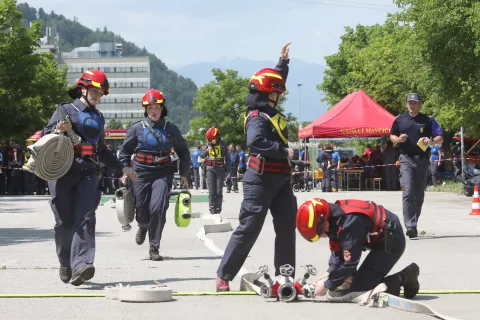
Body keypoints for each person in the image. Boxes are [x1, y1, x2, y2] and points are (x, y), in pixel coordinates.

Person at [42, 70, 137, 285]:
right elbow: (43, 135)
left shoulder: (98, 117)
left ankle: (82, 265)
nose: (97, 95)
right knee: (63, 223)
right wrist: (58, 129)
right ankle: (66, 262)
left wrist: (123, 167)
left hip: (88, 172)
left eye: (101, 92)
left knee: (85, 219)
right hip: (62, 172)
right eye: (94, 90)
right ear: (83, 89)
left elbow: (101, 149)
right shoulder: (65, 110)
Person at [216, 42, 296, 292]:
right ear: (267, 94)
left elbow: (273, 80)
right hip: (259, 181)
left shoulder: (268, 111)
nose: (280, 94)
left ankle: (285, 277)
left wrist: (283, 63)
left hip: (282, 181)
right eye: (276, 92)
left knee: (286, 229)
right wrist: (285, 152)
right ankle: (224, 275)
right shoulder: (257, 117)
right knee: (249, 228)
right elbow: (256, 143)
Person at [296, 198, 420, 299]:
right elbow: (338, 253)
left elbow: (350, 263)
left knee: (362, 290)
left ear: (324, 220)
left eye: (319, 233)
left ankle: (407, 275)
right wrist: (328, 274)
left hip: (390, 242)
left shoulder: (349, 223)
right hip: (377, 239)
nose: (321, 237)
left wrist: (327, 285)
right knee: (341, 286)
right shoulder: (334, 218)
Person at [118, 88, 190, 261]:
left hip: (163, 173)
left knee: (158, 208)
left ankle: (154, 247)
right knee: (142, 212)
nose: (153, 111)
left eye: (156, 108)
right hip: (140, 173)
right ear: (146, 110)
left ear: (162, 108)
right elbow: (125, 152)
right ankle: (143, 226)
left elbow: (184, 152)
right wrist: (125, 170)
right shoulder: (136, 128)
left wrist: (184, 174)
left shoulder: (171, 129)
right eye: (150, 108)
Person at [390, 93, 444, 238]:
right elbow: (392, 136)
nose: (412, 105)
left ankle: (414, 222)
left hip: (423, 160)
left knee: (419, 194)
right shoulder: (400, 119)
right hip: (406, 158)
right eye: (410, 102)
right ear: (407, 104)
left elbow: (440, 138)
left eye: (415, 102)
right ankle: (410, 225)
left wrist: (431, 141)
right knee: (408, 191)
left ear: (420, 104)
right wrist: (398, 139)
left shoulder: (428, 120)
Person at [200, 127, 228, 214]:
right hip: (210, 169)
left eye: (212, 139)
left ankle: (218, 210)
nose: (211, 141)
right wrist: (207, 150)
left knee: (219, 191)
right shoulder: (207, 145)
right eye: (209, 139)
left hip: (220, 168)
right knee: (212, 191)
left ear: (217, 137)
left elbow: (227, 158)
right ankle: (212, 210)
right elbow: (202, 155)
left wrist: (228, 170)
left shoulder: (223, 144)